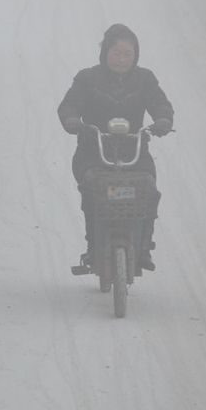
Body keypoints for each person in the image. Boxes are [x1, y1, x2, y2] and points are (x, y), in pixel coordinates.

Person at [58, 23, 174, 271]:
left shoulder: (145, 79)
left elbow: (161, 104)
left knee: (148, 190)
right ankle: (93, 248)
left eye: (127, 54)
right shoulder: (87, 78)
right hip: (93, 152)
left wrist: (163, 120)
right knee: (93, 189)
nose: (121, 59)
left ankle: (143, 247)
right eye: (116, 52)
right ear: (105, 52)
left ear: (136, 55)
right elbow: (69, 105)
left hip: (134, 153)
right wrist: (71, 120)